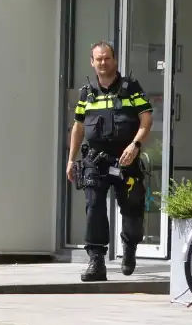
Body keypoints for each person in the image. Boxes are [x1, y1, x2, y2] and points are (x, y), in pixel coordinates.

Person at [66, 41, 154, 282]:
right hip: (95, 160)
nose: (103, 63)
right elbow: (78, 127)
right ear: (92, 62)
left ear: (114, 60)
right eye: (98, 59)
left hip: (127, 159)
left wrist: (135, 145)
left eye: (107, 58)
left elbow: (146, 120)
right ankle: (96, 262)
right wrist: (71, 160)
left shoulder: (131, 88)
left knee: (132, 208)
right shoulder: (87, 92)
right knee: (94, 206)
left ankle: (130, 248)